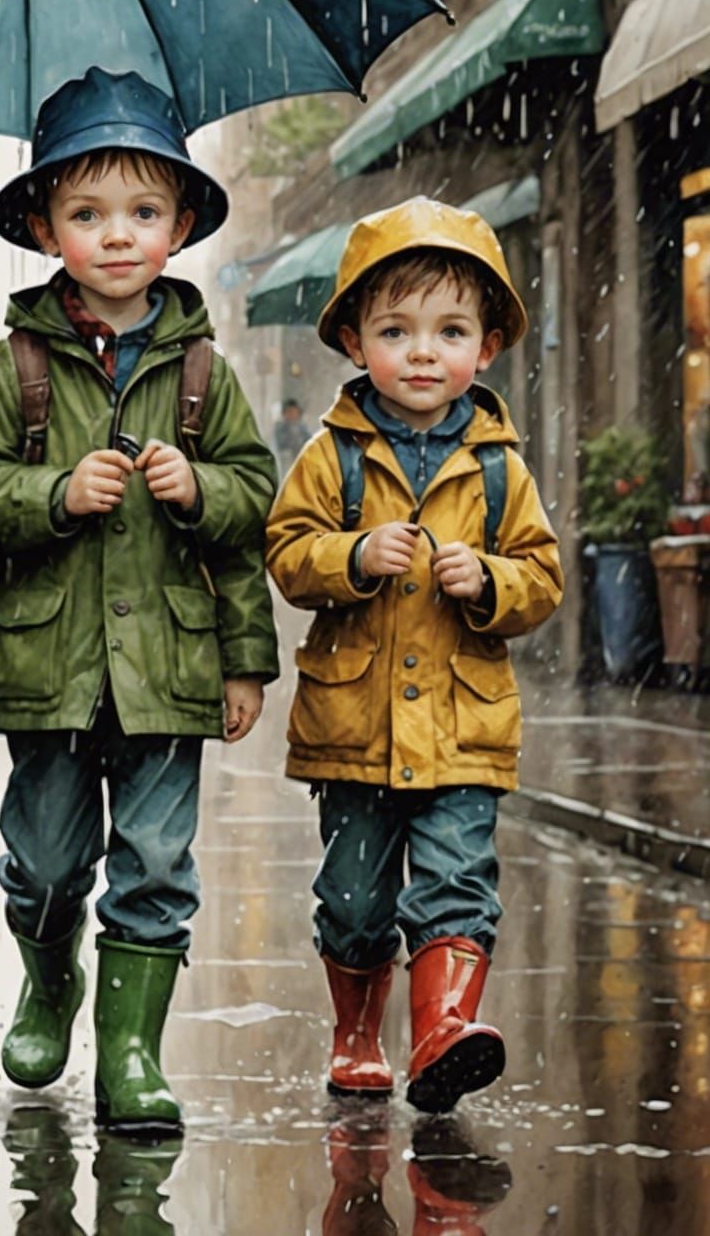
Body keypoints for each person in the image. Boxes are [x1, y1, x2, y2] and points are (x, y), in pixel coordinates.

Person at [0, 68, 280, 1136]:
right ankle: (51, 978)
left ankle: (131, 1053)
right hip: (49, 663)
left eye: (142, 212)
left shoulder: (204, 374)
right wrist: (54, 491)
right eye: (87, 214)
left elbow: (253, 506)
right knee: (46, 860)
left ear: (179, 226)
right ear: (46, 226)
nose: (118, 235)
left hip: (168, 670)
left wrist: (204, 499)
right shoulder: (17, 363)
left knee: (155, 863)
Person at [265, 198, 563, 1114]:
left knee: (456, 881)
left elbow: (542, 576)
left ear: (488, 346)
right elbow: (287, 551)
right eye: (397, 330)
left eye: (450, 331)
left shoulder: (502, 466)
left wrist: (492, 581)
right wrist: (350, 557)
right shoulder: (333, 456)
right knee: (354, 898)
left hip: (464, 727)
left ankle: (441, 1032)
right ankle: (358, 1034)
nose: (424, 352)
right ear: (356, 343)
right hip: (354, 723)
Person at [274, 397, 311, 472]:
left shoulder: (302, 428)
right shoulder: (280, 428)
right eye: (289, 412)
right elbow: (280, 445)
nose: (292, 415)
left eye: (294, 412)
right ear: (284, 414)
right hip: (287, 462)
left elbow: (309, 441)